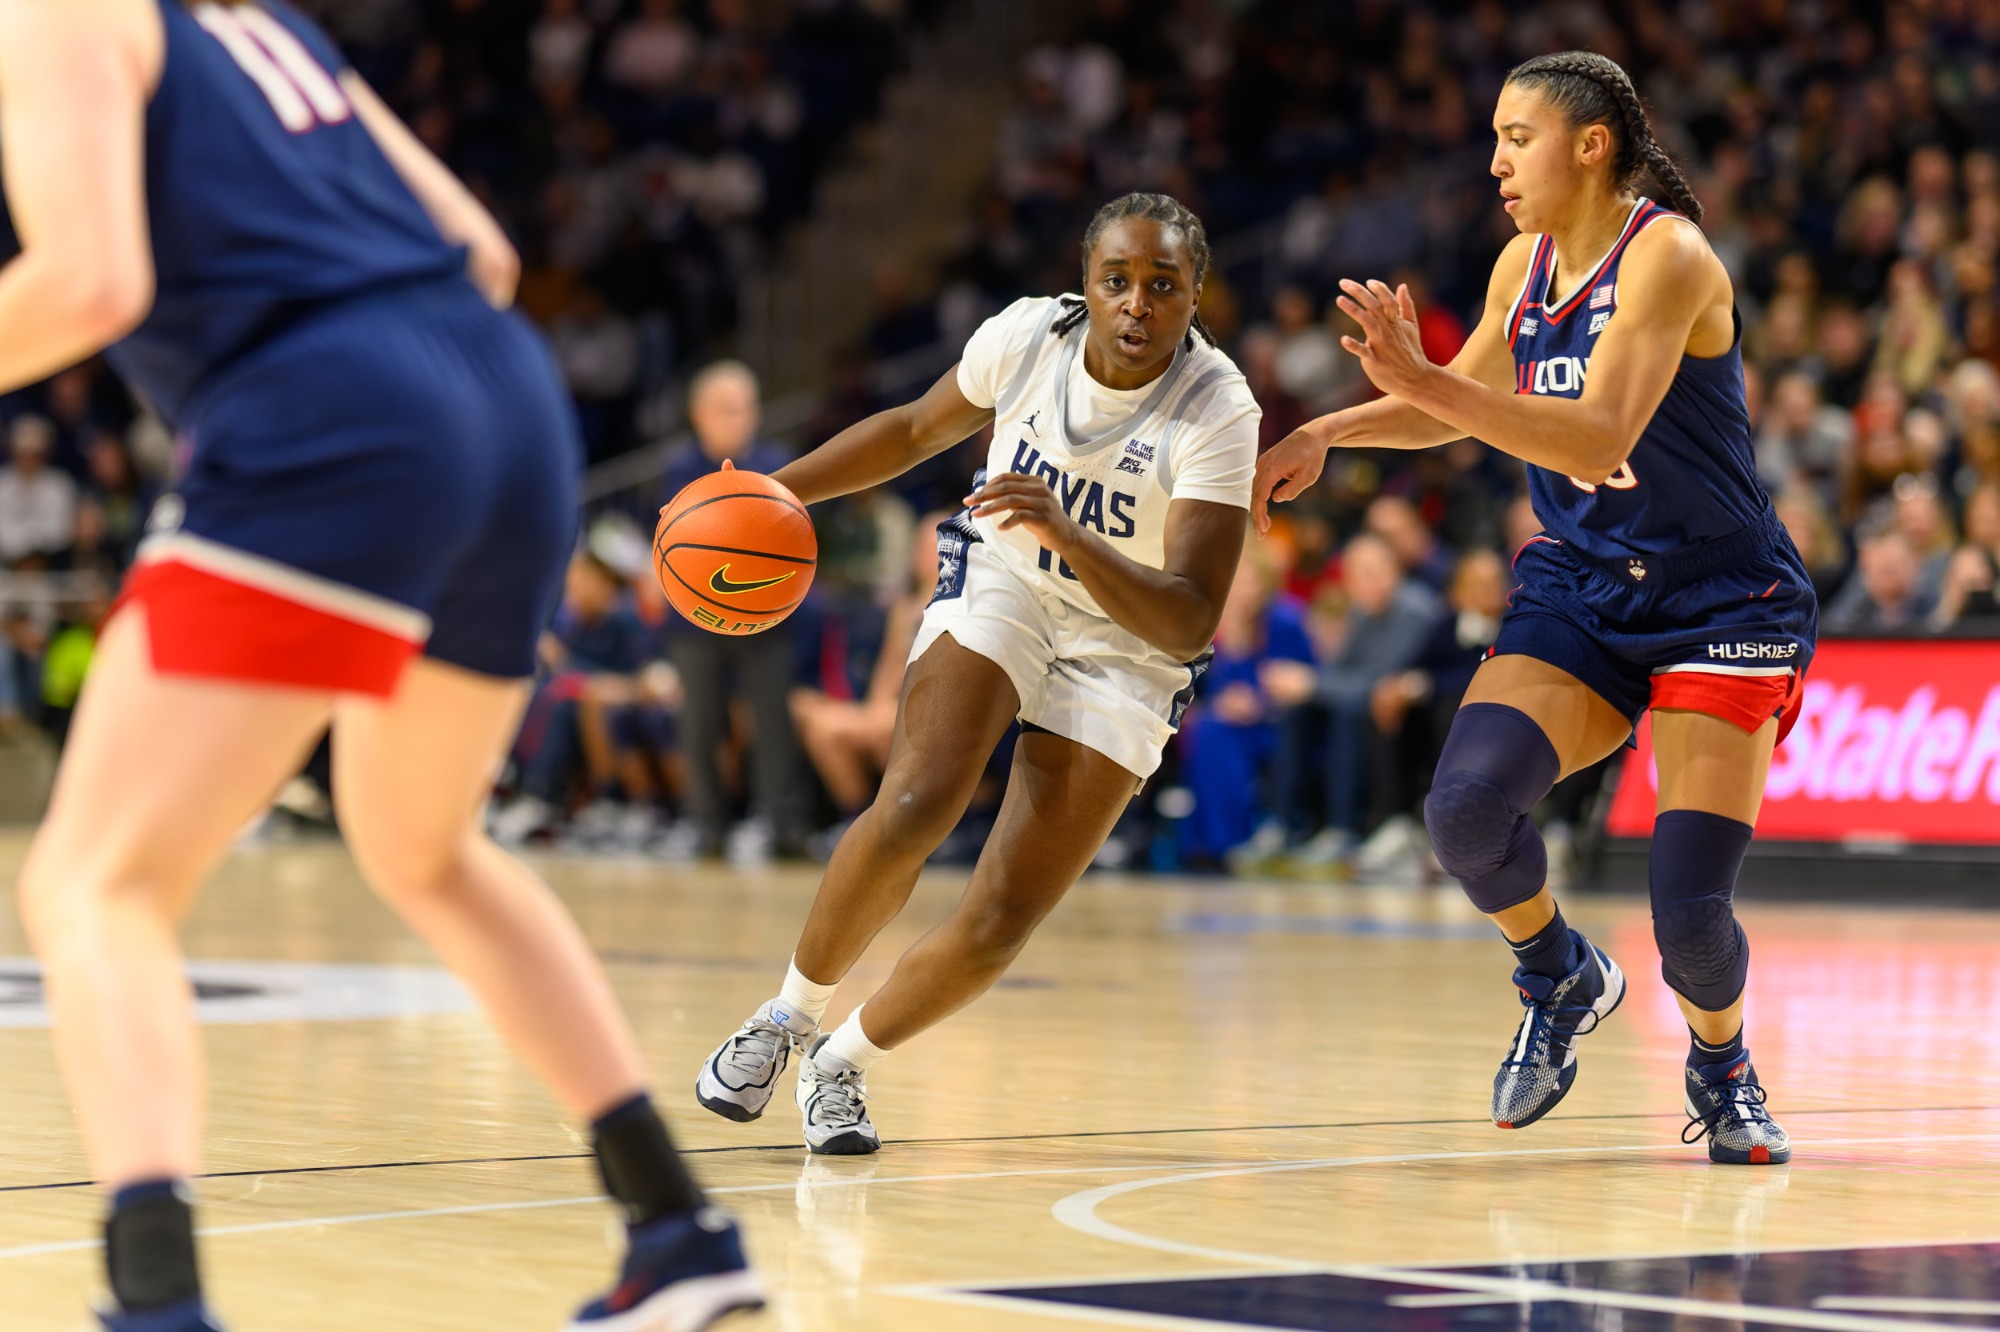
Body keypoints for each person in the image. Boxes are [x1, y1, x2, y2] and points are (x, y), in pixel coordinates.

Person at [0, 4, 757, 1330]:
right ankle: (679, 1230)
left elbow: (92, 283)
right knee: (422, 846)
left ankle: (158, 1306)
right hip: (506, 402)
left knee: (94, 879)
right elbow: (487, 253)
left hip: (330, 413)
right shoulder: (253, 19)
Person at [1256, 51, 1815, 1166]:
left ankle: (1721, 1065)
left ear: (1590, 143)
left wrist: (1427, 387)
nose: (1496, 160)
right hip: (1584, 583)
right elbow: (1461, 403)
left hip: (1719, 597)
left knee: (1687, 920)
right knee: (1463, 812)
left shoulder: (1669, 257)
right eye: (1496, 138)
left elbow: (1595, 434)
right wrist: (1330, 429)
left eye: (1517, 137)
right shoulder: (1522, 263)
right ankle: (1558, 974)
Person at [694, 192, 1257, 1154]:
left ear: (1195, 296)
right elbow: (915, 429)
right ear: (1085, 282)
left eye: (1162, 286)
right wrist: (774, 491)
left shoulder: (1219, 410)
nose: (1136, 304)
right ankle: (785, 1018)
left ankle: (840, 1067)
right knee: (919, 798)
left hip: (1130, 644)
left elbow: (1189, 614)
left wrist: (1068, 532)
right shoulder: (1029, 337)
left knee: (1000, 917)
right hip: (1006, 581)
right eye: (1116, 280)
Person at [657, 359, 804, 861]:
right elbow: (666, 545)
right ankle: (706, 826)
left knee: (773, 722)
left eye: (744, 409)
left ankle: (785, 826)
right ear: (699, 414)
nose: (736, 419)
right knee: (698, 724)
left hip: (766, 616)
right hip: (695, 620)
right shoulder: (677, 467)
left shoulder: (780, 463)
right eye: (725, 409)